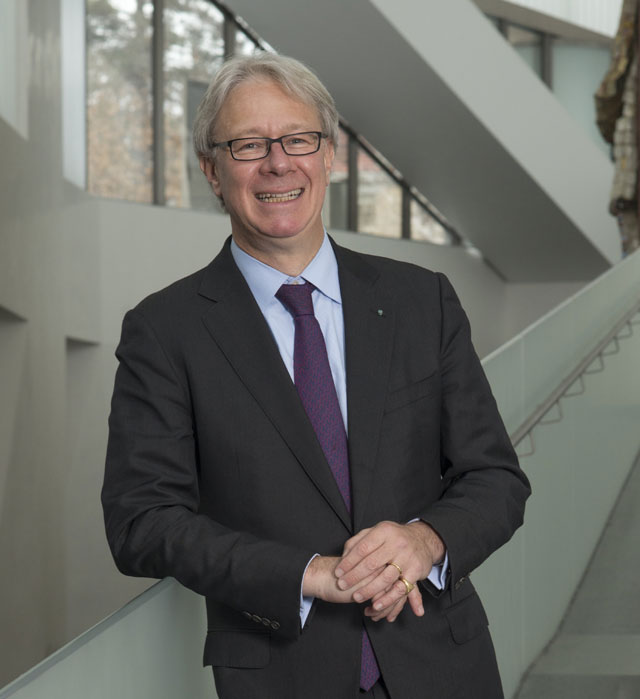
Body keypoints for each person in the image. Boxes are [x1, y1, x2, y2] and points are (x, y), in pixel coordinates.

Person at [102, 53, 530, 699]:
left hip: (445, 666)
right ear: (212, 171)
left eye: (298, 139)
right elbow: (141, 521)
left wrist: (424, 539)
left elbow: (496, 477)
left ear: (327, 155)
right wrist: (309, 573)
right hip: (282, 676)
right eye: (248, 144)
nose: (278, 162)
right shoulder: (165, 331)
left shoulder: (423, 301)